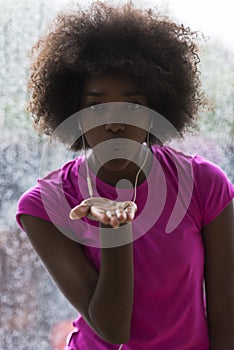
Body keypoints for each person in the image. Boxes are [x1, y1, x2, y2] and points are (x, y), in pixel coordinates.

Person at [16, 2, 234, 349]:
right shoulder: (45, 204)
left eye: (132, 105)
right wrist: (114, 228)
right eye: (96, 105)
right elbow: (113, 330)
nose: (114, 122)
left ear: (154, 112)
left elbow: (226, 313)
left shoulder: (204, 183)